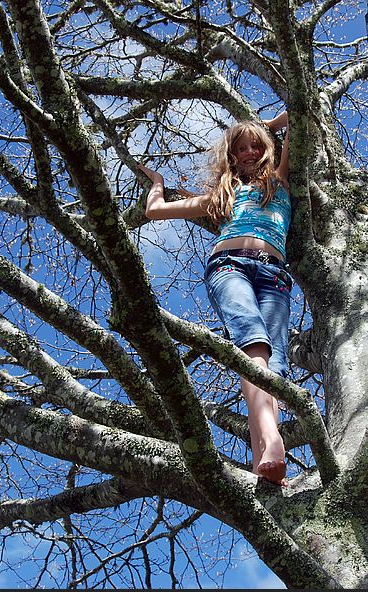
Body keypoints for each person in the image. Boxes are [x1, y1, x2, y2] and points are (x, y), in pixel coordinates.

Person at [138, 111, 292, 485]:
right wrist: (157, 181)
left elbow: (301, 115)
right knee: (253, 343)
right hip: (229, 266)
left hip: (275, 274)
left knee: (273, 364)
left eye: (256, 146)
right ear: (231, 157)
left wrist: (263, 129)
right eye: (240, 148)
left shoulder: (280, 181)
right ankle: (273, 439)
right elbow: (154, 211)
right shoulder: (220, 197)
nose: (250, 152)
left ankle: (264, 463)